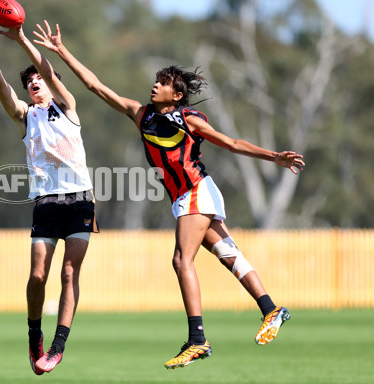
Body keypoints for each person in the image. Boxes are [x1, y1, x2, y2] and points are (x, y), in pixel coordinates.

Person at [32, 20, 305, 370]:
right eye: (156, 80)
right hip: (185, 197)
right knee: (228, 255)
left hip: (196, 191)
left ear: (176, 95)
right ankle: (271, 310)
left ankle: (197, 339)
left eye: (162, 83)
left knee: (181, 261)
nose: (155, 85)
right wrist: (61, 50)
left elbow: (233, 143)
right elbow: (94, 85)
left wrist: (274, 156)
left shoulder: (188, 119)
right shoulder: (141, 114)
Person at [0, 12, 99, 374]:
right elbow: (0, 84)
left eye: (38, 78)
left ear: (50, 84)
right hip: (46, 204)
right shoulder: (25, 116)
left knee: (68, 274)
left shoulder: (68, 110)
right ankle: (35, 336)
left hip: (79, 199)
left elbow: (49, 73)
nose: (34, 82)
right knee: (37, 276)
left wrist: (21, 40)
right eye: (29, 80)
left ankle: (58, 346)